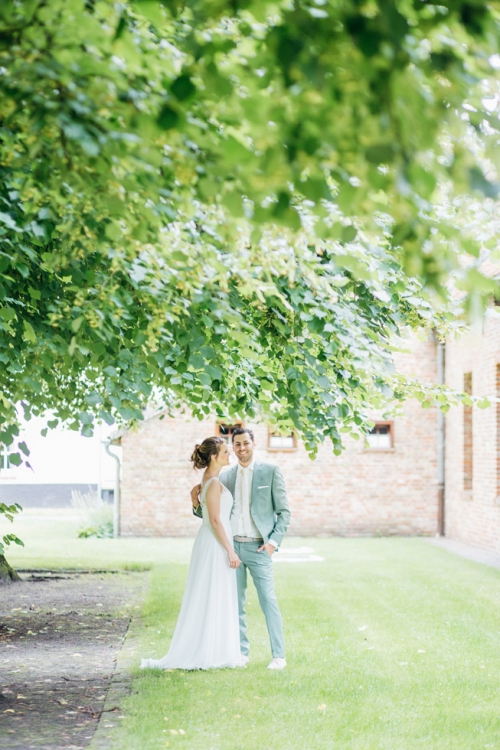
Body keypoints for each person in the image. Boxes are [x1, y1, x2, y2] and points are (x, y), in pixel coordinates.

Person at [192, 427, 291, 670]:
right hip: (231, 548)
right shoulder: (225, 476)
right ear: (233, 447)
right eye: (236, 444)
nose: (241, 448)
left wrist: (271, 544)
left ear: (254, 444)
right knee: (234, 603)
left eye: (245, 443)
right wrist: (195, 505)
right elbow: (212, 515)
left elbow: (284, 512)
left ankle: (278, 656)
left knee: (268, 600)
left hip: (259, 548)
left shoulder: (270, 472)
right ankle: (240, 653)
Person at [141, 437, 242, 671]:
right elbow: (215, 519)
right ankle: (209, 652)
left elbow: (207, 514)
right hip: (216, 542)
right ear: (214, 457)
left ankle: (213, 649)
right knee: (211, 592)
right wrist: (230, 550)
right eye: (226, 452)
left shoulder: (207, 479)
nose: (230, 455)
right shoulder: (214, 482)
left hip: (209, 540)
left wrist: (193, 504)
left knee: (209, 593)